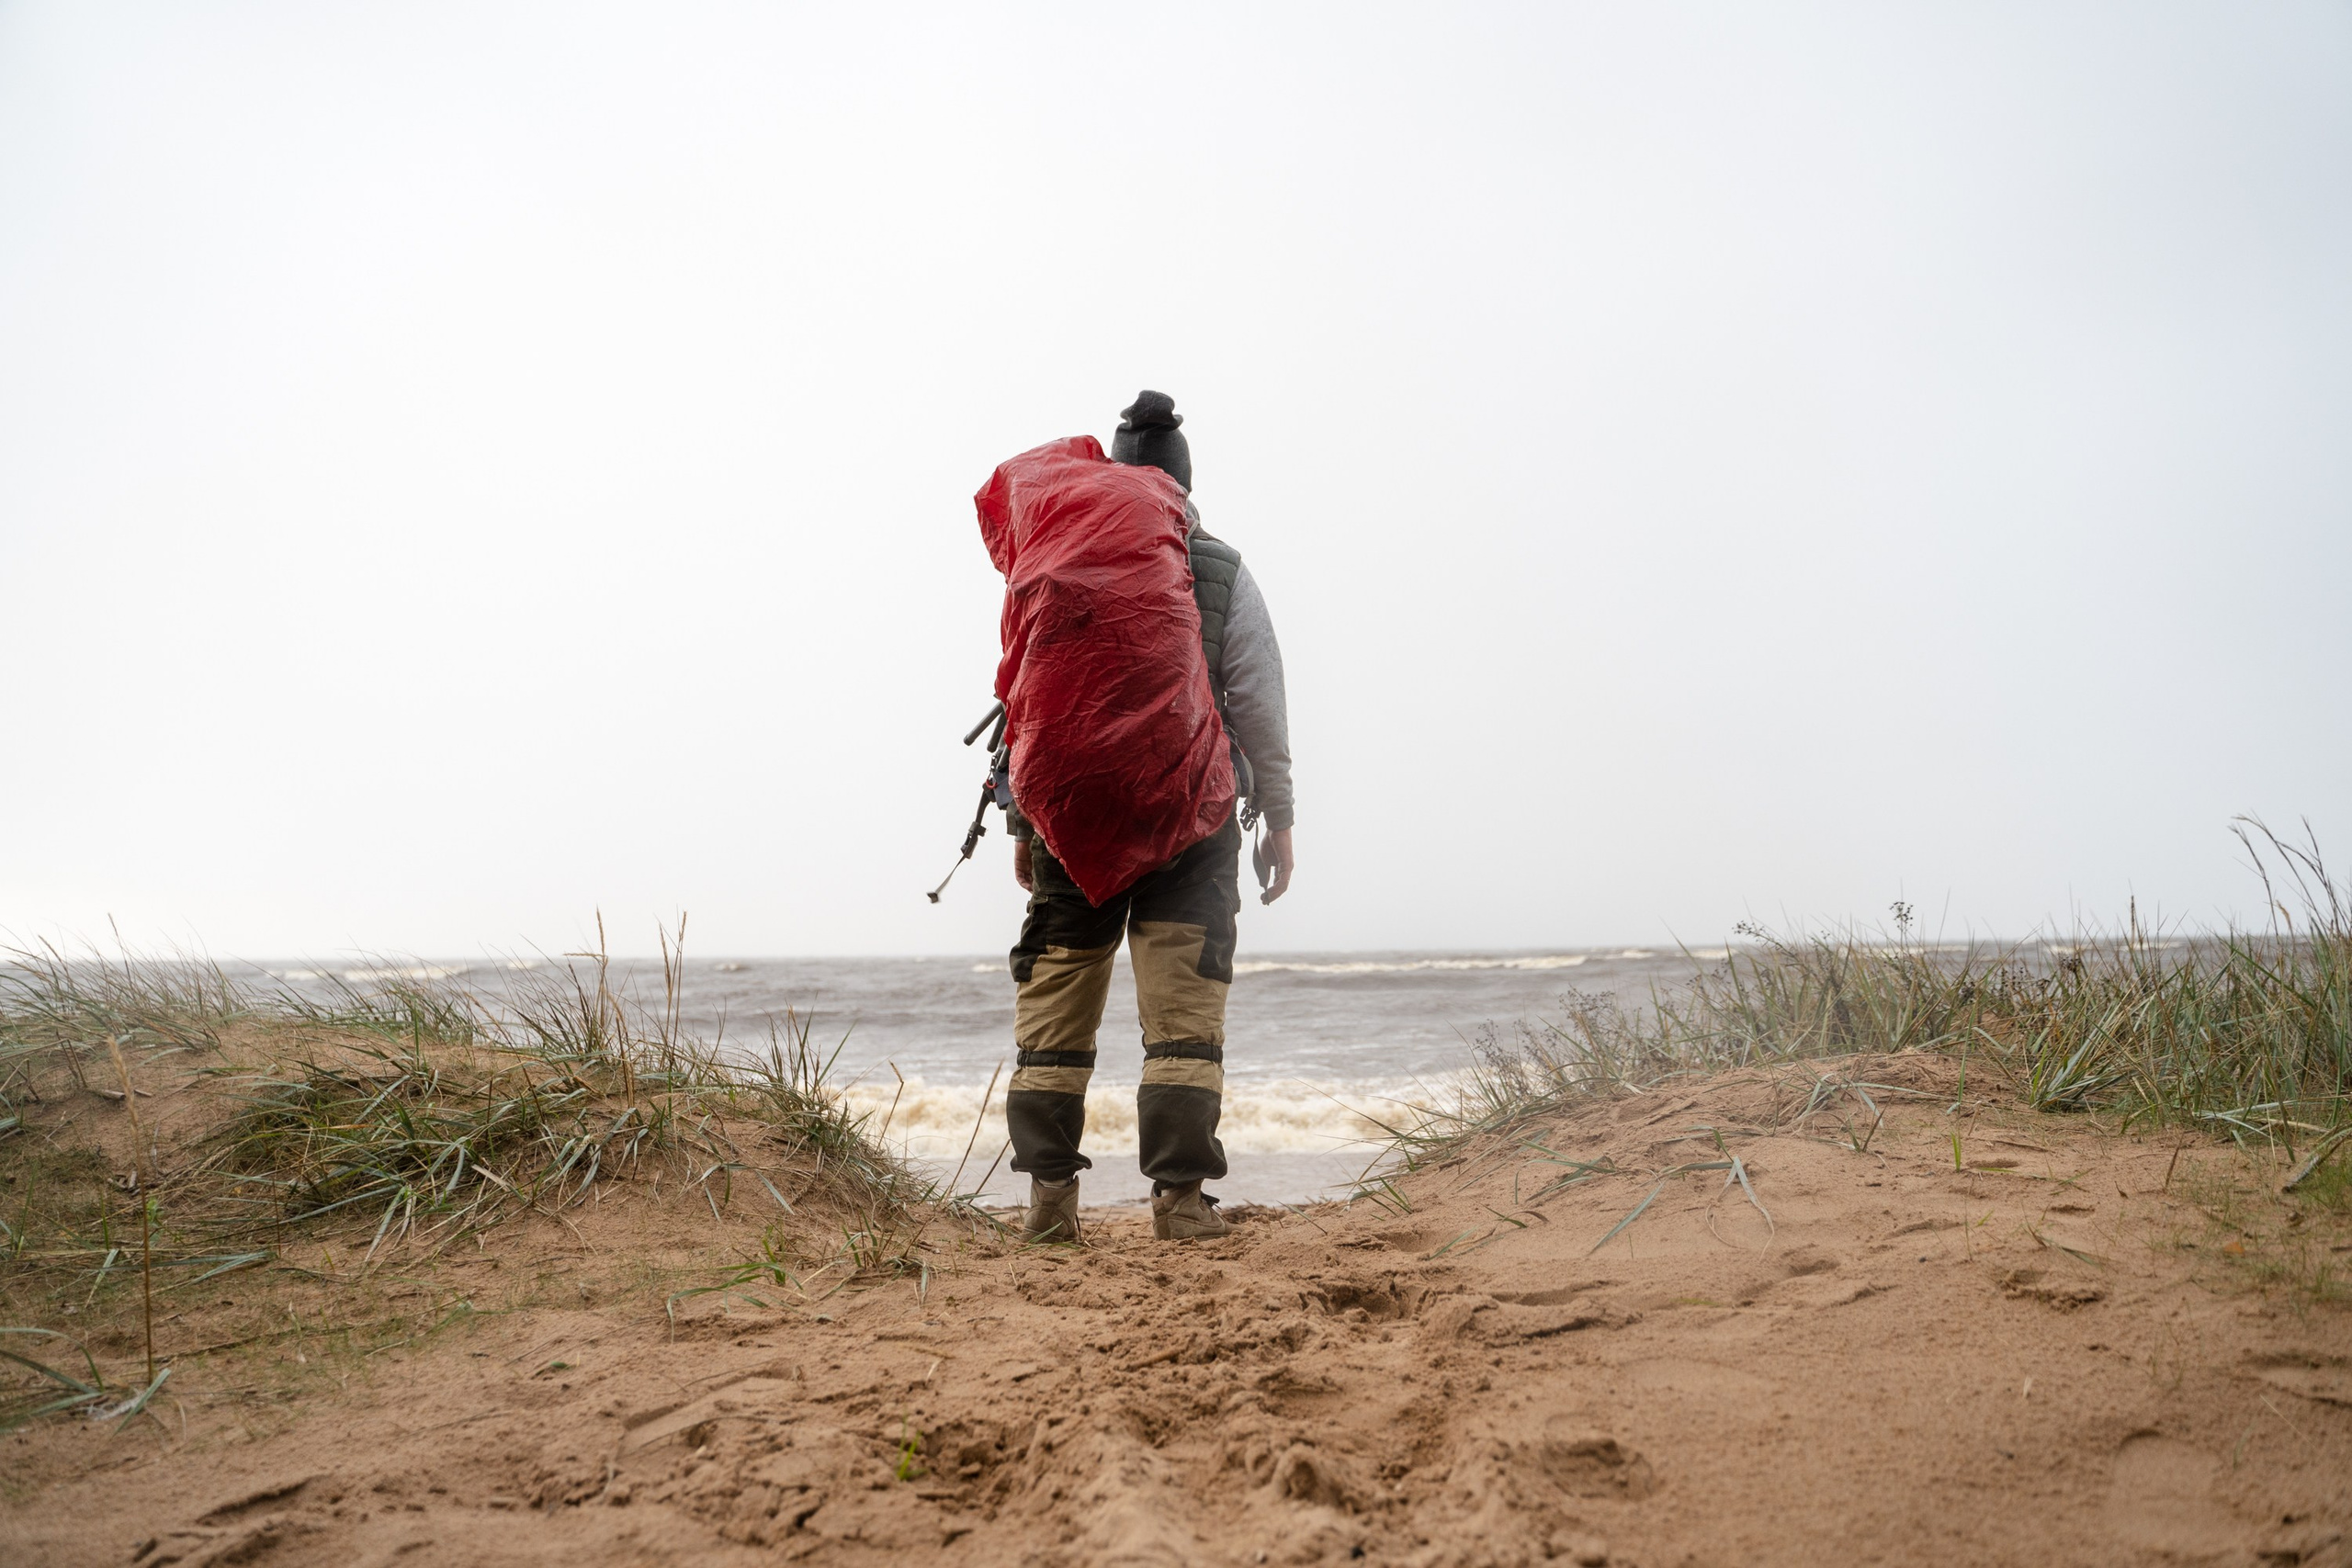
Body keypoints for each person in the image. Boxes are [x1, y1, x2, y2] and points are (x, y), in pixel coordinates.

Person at [1003, 390, 1296, 1244]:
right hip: (1192, 818)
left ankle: (1051, 1207)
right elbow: (1259, 701)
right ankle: (1178, 1201)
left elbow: (1024, 701)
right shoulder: (1220, 568)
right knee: (1182, 1015)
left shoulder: (1053, 557)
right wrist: (1278, 813)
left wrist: (1025, 826)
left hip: (1072, 822)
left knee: (1057, 1003)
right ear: (1183, 483)